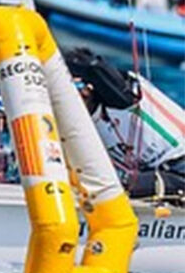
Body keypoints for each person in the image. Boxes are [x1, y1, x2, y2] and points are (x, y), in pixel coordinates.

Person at [65, 47, 185, 201]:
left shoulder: (120, 98)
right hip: (159, 174)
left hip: (179, 166)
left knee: (116, 185)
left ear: (87, 89)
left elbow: (94, 67)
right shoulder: (77, 122)